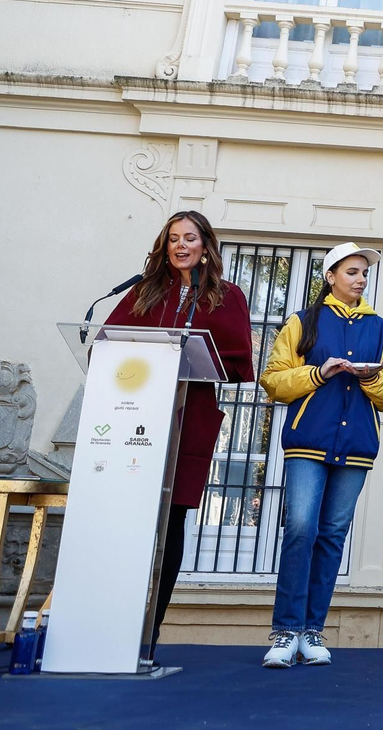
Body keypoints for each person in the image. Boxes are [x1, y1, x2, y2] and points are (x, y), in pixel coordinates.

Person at [105, 210, 254, 662]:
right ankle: (111, 622)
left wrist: (187, 352)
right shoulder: (145, 290)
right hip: (135, 419)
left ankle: (148, 633)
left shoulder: (226, 296)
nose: (180, 245)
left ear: (205, 246)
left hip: (188, 420)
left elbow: (238, 361)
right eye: (173, 239)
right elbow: (108, 342)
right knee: (127, 521)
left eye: (189, 238)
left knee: (171, 523)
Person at [260, 242, 383, 668]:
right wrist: (318, 372)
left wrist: (369, 379)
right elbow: (273, 380)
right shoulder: (302, 322)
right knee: (300, 528)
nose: (360, 279)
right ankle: (286, 631)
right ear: (330, 277)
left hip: (356, 445)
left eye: (364, 273)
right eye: (352, 272)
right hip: (308, 440)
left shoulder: (381, 329)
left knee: (332, 535)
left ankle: (312, 631)